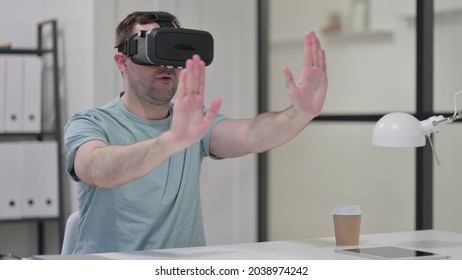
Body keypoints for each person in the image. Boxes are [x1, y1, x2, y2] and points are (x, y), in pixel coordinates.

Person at [64, 11, 328, 254]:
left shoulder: (193, 122)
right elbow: (97, 169)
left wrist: (300, 113)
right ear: (122, 61)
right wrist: (169, 141)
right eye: (155, 51)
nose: (166, 65)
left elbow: (250, 134)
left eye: (174, 53)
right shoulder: (91, 123)